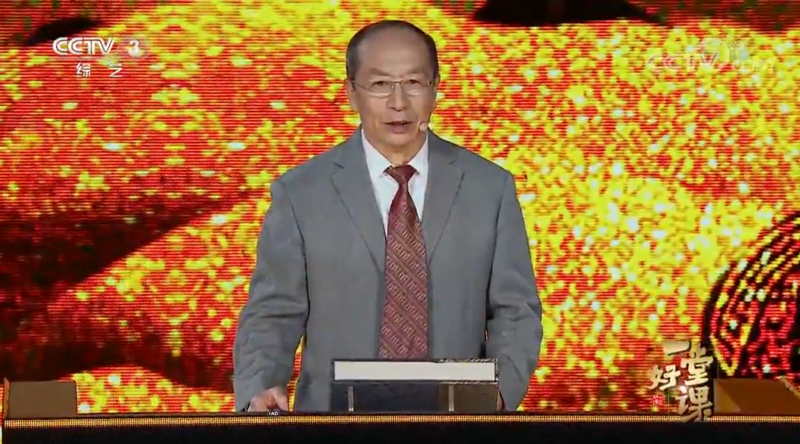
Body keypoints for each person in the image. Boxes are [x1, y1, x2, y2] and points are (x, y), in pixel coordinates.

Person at [233, 19, 543, 413]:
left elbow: (515, 311)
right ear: (351, 92)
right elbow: (272, 313)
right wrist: (260, 387)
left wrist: (499, 393)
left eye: (413, 83)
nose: (399, 102)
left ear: (435, 89)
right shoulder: (300, 194)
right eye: (380, 84)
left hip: (458, 422)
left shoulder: (489, 189)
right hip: (331, 424)